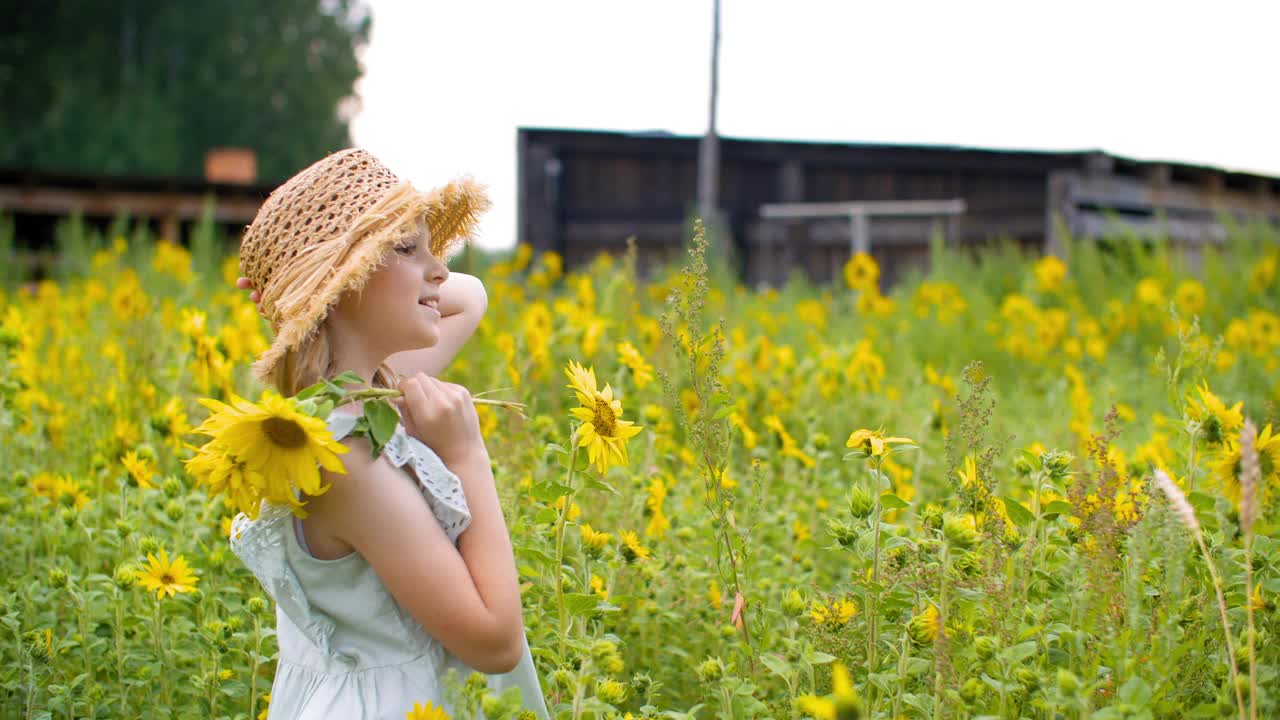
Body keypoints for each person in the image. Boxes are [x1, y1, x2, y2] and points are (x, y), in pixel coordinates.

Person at [227, 147, 550, 719]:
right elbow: (496, 643)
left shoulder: (370, 391)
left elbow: (469, 297)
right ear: (342, 282)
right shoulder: (347, 459)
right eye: (406, 248)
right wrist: (467, 454)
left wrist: (305, 295)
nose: (440, 271)